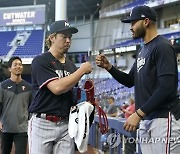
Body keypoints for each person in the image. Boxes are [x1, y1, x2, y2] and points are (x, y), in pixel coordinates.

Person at [96, 5, 180, 153]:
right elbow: (129, 80)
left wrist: (139, 113)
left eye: (133, 22)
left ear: (146, 21)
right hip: (147, 119)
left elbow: (166, 87)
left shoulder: (162, 46)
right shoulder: (143, 49)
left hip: (163, 118)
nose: (131, 27)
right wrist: (109, 67)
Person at [28, 20, 92, 154]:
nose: (68, 40)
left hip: (65, 124)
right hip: (43, 123)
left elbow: (72, 94)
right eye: (64, 37)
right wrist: (81, 71)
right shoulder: (41, 60)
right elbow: (57, 88)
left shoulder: (71, 66)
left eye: (70, 37)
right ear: (52, 38)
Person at [0, 56, 32, 154]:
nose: (18, 66)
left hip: (22, 129)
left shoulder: (29, 87)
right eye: (15, 65)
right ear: (10, 68)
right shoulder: (2, 86)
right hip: (6, 128)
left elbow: (31, 107)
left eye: (20, 64)